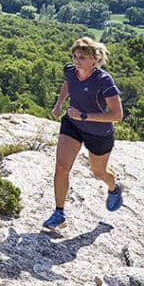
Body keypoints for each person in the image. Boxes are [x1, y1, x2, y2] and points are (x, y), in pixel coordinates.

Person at [43, 36, 124, 228]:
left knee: (98, 172)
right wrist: (59, 103)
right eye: (75, 56)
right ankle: (59, 213)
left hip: (98, 132)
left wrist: (85, 116)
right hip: (73, 124)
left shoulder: (103, 80)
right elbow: (68, 84)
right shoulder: (71, 71)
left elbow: (117, 115)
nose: (76, 61)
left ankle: (114, 188)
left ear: (94, 60)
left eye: (82, 58)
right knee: (61, 167)